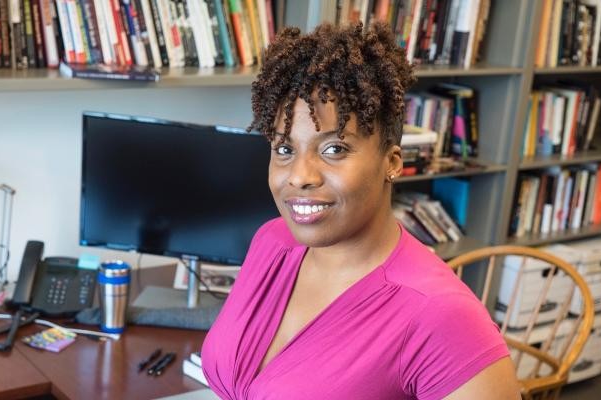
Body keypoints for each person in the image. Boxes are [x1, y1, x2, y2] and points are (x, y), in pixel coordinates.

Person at [201, 22, 520, 399]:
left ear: (393, 162)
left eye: (334, 149)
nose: (299, 176)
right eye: (285, 149)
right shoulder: (272, 241)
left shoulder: (441, 315)